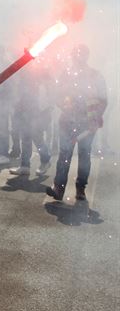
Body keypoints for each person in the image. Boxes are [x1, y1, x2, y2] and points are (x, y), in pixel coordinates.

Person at [46, 44, 107, 203]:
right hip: (67, 121)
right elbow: (57, 94)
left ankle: (80, 189)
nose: (78, 58)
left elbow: (103, 99)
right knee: (64, 154)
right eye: (76, 54)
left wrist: (96, 118)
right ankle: (58, 188)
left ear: (86, 56)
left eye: (81, 55)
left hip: (87, 124)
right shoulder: (66, 74)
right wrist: (64, 105)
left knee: (84, 156)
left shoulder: (95, 75)